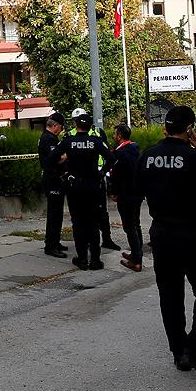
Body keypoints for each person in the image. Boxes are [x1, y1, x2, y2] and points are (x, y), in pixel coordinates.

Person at [135, 105, 196, 375]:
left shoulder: (147, 156)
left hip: (162, 235)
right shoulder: (195, 157)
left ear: (166, 127)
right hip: (194, 235)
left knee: (170, 295)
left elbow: (135, 191)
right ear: (190, 130)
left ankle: (179, 353)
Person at [49, 112, 114, 270]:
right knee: (93, 222)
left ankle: (82, 258)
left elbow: (51, 158)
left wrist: (62, 173)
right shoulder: (96, 141)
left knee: (78, 223)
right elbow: (112, 159)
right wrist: (100, 173)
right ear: (90, 126)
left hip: (74, 186)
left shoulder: (68, 141)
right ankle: (96, 260)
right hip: (92, 186)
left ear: (76, 125)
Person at [69, 108, 121, 252]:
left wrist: (103, 171)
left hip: (95, 176)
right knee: (83, 214)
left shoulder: (98, 133)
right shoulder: (69, 135)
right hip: (83, 177)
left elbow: (108, 153)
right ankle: (86, 243)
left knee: (101, 211)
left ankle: (106, 239)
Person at [109, 124, 144, 272]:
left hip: (126, 194)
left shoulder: (120, 153)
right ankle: (137, 254)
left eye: (115, 133)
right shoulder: (136, 150)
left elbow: (116, 176)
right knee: (136, 224)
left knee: (129, 227)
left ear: (120, 136)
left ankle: (136, 261)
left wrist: (114, 192)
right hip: (137, 193)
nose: (113, 136)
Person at [38, 112, 69, 258]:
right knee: (54, 215)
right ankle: (50, 245)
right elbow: (57, 158)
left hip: (55, 179)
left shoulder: (50, 138)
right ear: (55, 125)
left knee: (57, 214)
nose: (61, 130)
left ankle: (55, 242)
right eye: (61, 127)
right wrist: (67, 154)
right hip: (52, 180)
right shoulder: (48, 139)